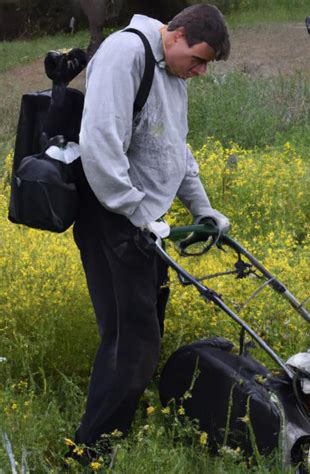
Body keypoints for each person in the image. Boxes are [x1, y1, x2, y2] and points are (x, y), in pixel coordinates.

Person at [72, 3, 230, 458]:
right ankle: (91, 450)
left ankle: (111, 427)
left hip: (144, 224)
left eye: (206, 65)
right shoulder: (126, 53)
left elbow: (173, 150)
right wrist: (139, 216)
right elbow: (99, 143)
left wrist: (203, 209)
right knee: (133, 340)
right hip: (114, 216)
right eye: (198, 59)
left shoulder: (173, 74)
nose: (199, 71)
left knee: (140, 332)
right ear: (176, 34)